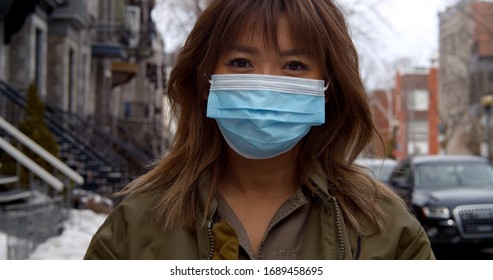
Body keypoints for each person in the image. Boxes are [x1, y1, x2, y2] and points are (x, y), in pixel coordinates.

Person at [84, 0, 435, 260]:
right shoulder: (138, 226)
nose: (265, 83)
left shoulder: (383, 229)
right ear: (206, 81)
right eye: (241, 62)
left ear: (328, 89)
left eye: (294, 65)